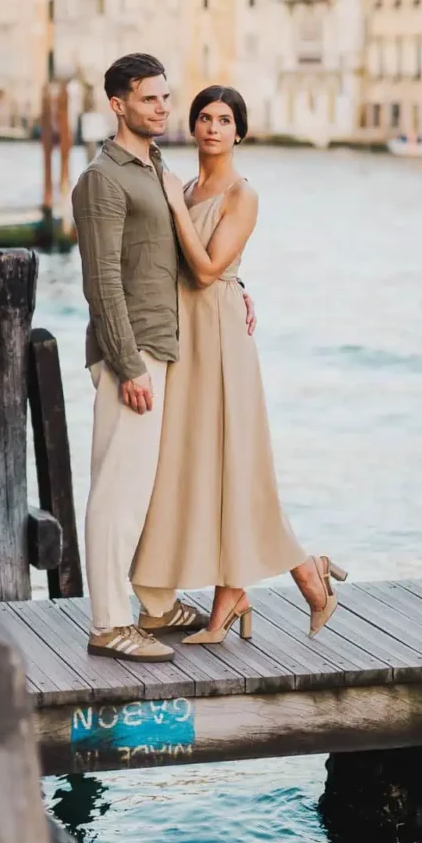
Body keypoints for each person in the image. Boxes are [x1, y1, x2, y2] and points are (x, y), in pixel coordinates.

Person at [132, 84, 346, 645]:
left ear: (240, 132)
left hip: (222, 338)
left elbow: (206, 271)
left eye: (225, 119)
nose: (212, 127)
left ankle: (276, 580)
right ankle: (267, 582)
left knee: (238, 462)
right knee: (203, 462)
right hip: (186, 335)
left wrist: (181, 213)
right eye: (204, 117)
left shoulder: (240, 194)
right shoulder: (186, 184)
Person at [72, 53, 256, 661]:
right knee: (118, 491)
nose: (162, 109)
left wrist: (240, 288)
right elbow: (101, 281)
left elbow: (178, 252)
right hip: (135, 350)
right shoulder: (104, 177)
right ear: (118, 104)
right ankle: (107, 622)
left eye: (165, 98)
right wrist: (127, 366)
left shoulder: (155, 167)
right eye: (150, 99)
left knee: (147, 487)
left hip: (165, 344)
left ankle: (154, 605)